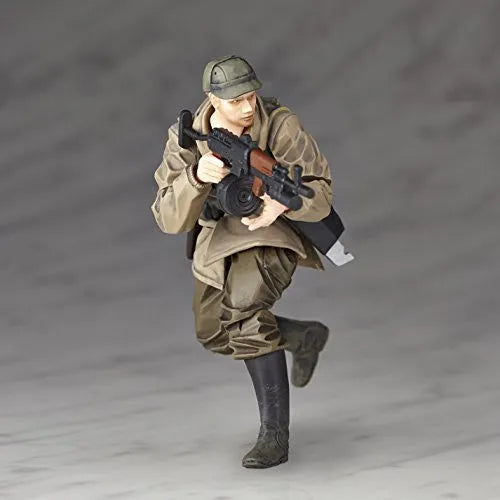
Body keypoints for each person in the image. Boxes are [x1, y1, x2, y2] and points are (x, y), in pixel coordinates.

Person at [151, 55, 332, 468]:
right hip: (217, 240)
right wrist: (197, 177)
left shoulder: (281, 125)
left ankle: (274, 436)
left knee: (245, 315)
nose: (248, 107)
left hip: (271, 231)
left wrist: (281, 205)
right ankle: (302, 337)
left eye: (251, 96)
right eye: (236, 101)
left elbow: (320, 193)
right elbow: (167, 218)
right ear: (212, 99)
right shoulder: (187, 138)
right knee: (214, 331)